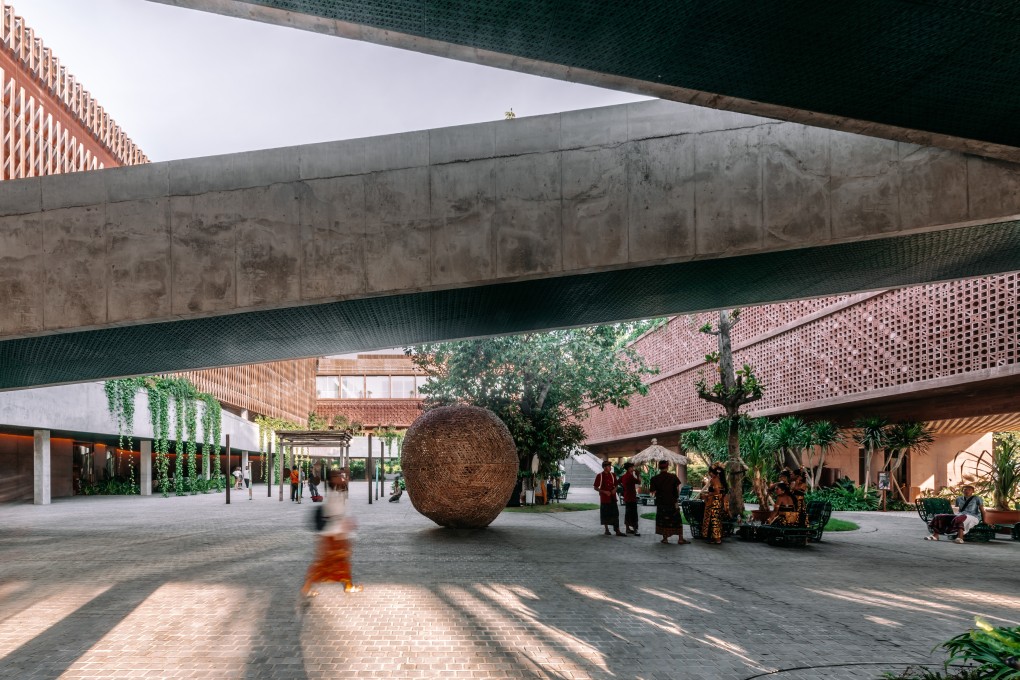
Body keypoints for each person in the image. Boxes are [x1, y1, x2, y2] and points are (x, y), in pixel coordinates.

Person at [302, 470, 362, 599]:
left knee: (341, 561)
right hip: (333, 535)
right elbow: (336, 513)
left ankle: (348, 585)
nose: (341, 478)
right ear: (331, 480)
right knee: (325, 563)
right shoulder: (333, 494)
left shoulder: (340, 492)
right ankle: (307, 587)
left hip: (338, 534)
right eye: (337, 477)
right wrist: (346, 523)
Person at [649, 460, 686, 544]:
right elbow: (677, 490)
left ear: (659, 467)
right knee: (677, 520)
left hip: (661, 503)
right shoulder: (673, 477)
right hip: (672, 502)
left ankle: (665, 538)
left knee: (663, 520)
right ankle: (680, 539)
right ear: (667, 467)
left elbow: (652, 492)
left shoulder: (654, 479)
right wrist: (676, 499)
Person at [593, 461, 625, 536]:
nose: (610, 467)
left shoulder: (613, 475)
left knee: (615, 514)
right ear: (604, 467)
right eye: (608, 466)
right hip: (604, 499)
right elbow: (595, 487)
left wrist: (615, 489)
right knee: (605, 514)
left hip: (613, 498)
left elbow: (616, 484)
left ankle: (617, 530)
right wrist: (604, 492)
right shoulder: (599, 476)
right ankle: (606, 530)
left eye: (610, 466)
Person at [701, 463, 729, 544]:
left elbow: (716, 491)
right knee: (717, 520)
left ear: (712, 472)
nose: (709, 473)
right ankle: (716, 537)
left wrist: (708, 495)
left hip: (714, 502)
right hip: (719, 502)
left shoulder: (714, 479)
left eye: (709, 472)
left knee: (714, 520)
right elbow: (720, 491)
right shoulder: (721, 479)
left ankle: (717, 539)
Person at [619, 462, 641, 536]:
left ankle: (627, 528)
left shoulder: (624, 476)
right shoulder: (630, 476)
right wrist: (638, 475)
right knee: (634, 514)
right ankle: (635, 529)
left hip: (627, 497)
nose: (633, 469)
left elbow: (618, 482)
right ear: (629, 468)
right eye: (632, 467)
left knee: (628, 513)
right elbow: (639, 482)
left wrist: (623, 487)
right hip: (631, 497)